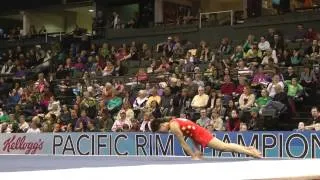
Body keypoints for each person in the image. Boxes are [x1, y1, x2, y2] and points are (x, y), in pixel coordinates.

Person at [151, 117, 262, 160]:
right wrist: (197, 150)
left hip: (201, 134)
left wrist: (193, 156)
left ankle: (251, 152)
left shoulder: (174, 127)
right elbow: (191, 134)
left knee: (224, 147)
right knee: (225, 147)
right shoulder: (173, 121)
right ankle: (249, 149)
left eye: (160, 132)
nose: (162, 134)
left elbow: (183, 144)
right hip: (199, 134)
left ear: (161, 126)